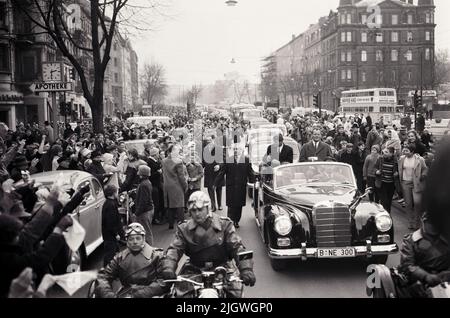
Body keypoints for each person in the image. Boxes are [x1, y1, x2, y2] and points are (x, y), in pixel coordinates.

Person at [161, 191, 255, 298]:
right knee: (179, 294)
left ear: (208, 208)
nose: (197, 213)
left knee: (236, 293)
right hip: (194, 268)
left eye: (200, 209)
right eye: (193, 210)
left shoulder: (224, 224)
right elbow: (174, 249)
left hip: (222, 268)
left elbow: (237, 247)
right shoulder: (184, 228)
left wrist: (246, 269)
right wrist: (168, 267)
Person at [0, 213, 73, 298]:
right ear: (9, 237)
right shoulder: (7, 260)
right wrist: (42, 289)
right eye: (17, 235)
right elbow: (39, 258)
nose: (20, 237)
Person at [95, 223, 168, 298]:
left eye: (138, 238)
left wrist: (142, 294)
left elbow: (164, 281)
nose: (135, 242)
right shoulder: (119, 258)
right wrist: (108, 295)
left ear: (144, 239)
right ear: (127, 241)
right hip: (126, 294)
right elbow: (103, 276)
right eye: (131, 239)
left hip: (151, 295)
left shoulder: (157, 255)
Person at [398, 144, 428, 230]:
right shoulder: (402, 158)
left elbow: (425, 169)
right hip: (405, 182)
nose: (404, 152)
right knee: (408, 204)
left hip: (416, 183)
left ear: (412, 151)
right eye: (404, 150)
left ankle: (417, 222)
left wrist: (423, 175)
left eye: (406, 150)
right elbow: (399, 168)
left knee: (417, 203)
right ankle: (410, 222)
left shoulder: (420, 159)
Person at [162, 144, 188, 230]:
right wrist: (185, 186)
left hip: (167, 185)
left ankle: (170, 224)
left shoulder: (164, 160)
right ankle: (181, 225)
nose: (178, 152)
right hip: (176, 185)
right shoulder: (178, 162)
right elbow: (181, 176)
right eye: (176, 150)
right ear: (172, 151)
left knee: (170, 205)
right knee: (180, 205)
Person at [102, 185, 125, 266]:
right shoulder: (110, 205)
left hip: (108, 235)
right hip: (110, 235)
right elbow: (110, 222)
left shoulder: (109, 203)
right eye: (116, 191)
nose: (117, 193)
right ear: (113, 193)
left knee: (113, 252)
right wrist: (116, 234)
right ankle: (107, 272)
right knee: (110, 255)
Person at [203, 137, 224, 212]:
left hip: (217, 172)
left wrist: (219, 165)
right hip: (208, 171)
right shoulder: (205, 149)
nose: (208, 142)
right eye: (207, 141)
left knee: (218, 188)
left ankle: (220, 204)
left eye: (210, 141)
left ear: (213, 140)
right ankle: (213, 205)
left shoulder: (219, 148)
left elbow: (223, 160)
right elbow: (203, 161)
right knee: (210, 189)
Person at [135, 165, 154, 245]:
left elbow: (143, 201)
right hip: (148, 209)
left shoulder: (143, 185)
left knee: (146, 231)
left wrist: (137, 212)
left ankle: (150, 249)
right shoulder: (147, 183)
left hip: (145, 212)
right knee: (147, 230)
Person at [376, 147, 399, 213]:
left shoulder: (395, 161)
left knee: (389, 201)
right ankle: (383, 214)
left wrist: (397, 174)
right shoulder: (380, 159)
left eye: (386, 152)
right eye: (384, 152)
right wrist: (376, 171)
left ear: (391, 154)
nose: (384, 153)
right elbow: (375, 167)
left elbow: (398, 170)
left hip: (391, 184)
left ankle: (388, 214)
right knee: (384, 201)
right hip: (382, 182)